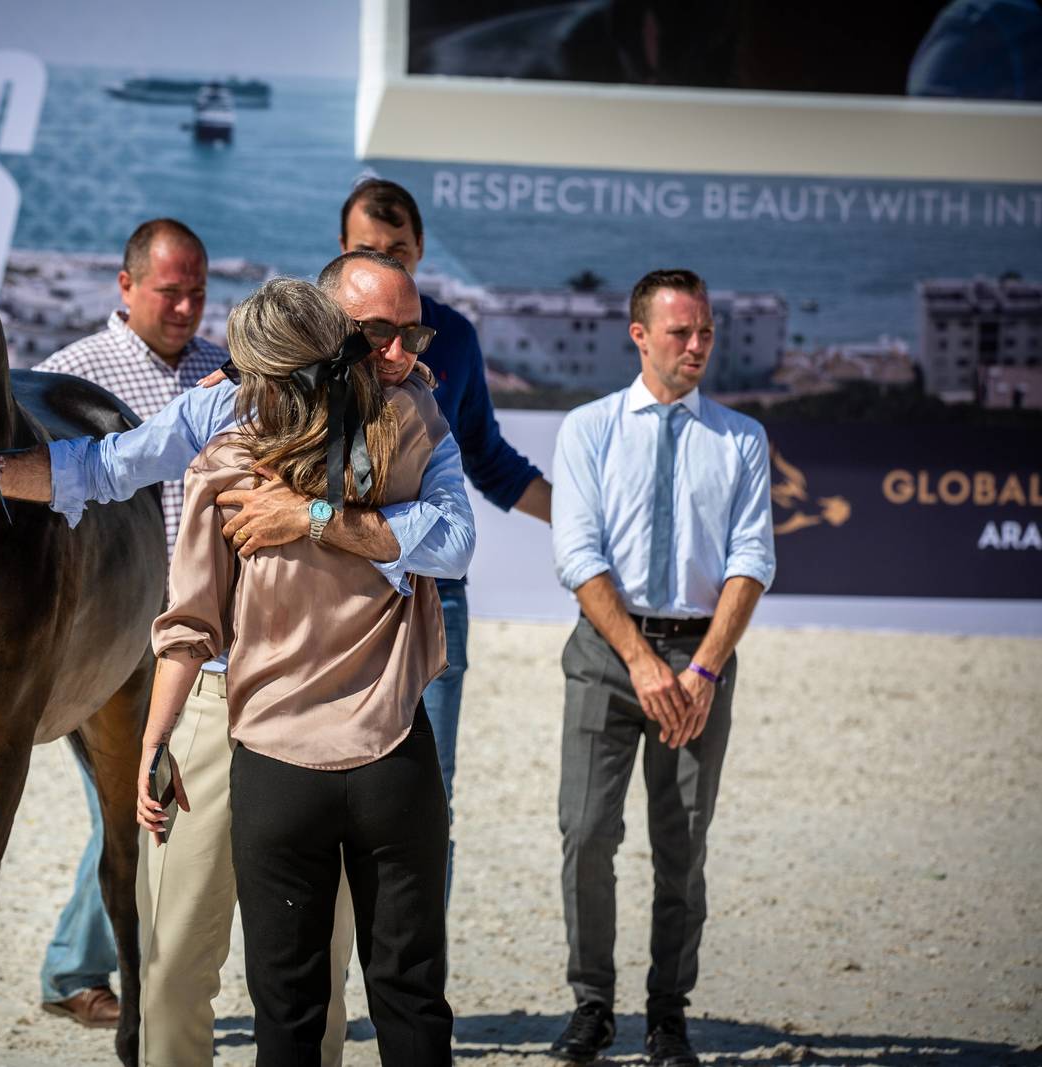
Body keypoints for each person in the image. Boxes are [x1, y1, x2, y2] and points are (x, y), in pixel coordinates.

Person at [0, 251, 474, 1066]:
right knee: (174, 964)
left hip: (354, 726)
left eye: (412, 332)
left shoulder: (416, 420)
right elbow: (106, 468)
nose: (405, 354)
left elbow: (456, 542)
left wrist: (313, 516)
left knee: (318, 987)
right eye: (382, 335)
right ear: (324, 330)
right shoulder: (233, 407)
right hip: (214, 695)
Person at [138, 277, 458, 1066]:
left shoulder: (225, 466)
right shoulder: (408, 427)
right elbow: (453, 540)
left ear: (257, 373)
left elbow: (188, 627)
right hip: (392, 757)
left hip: (276, 767)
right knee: (410, 995)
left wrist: (154, 742)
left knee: (286, 1009)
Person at [547, 269, 775, 1067]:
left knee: (681, 844)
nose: (697, 346)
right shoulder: (588, 429)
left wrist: (704, 671)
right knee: (585, 833)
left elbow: (752, 560)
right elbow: (576, 555)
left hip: (700, 657)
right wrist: (641, 661)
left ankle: (667, 1012)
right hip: (608, 654)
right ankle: (593, 1003)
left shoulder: (742, 437)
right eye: (680, 332)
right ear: (638, 334)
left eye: (705, 331)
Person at [30, 218, 227, 1030]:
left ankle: (103, 965)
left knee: (147, 800)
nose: (184, 306)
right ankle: (78, 967)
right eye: (168, 289)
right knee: (137, 800)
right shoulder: (65, 376)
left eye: (196, 292)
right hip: (112, 629)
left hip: (209, 632)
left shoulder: (227, 373)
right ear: (125, 285)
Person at [331, 178, 551, 899]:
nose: (386, 258)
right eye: (368, 248)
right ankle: (324, 998)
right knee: (318, 786)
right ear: (342, 250)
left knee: (427, 798)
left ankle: (413, 996)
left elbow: (487, 455)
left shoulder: (452, 336)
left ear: (420, 250)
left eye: (398, 248)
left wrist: (590, 520)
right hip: (324, 598)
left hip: (433, 597)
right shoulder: (310, 333)